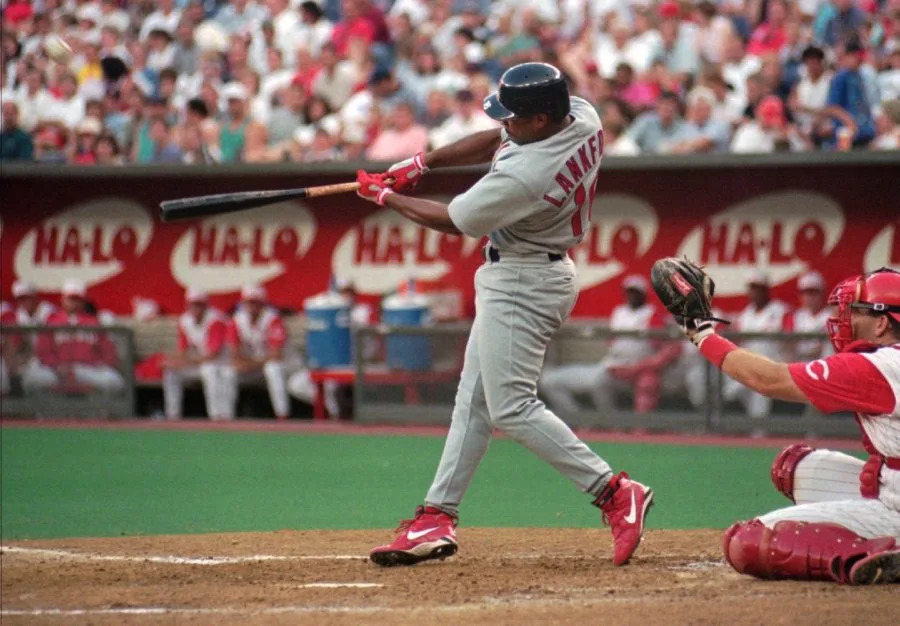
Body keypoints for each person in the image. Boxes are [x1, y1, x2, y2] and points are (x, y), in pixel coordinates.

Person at [354, 62, 654, 568]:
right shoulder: (581, 116)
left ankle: (613, 491)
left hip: (523, 280)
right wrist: (422, 162)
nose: (506, 124)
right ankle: (436, 516)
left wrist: (387, 196)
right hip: (530, 271)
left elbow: (453, 219)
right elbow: (493, 138)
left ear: (540, 119)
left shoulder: (528, 174)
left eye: (515, 118)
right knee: (474, 401)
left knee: (511, 406)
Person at [676, 267, 900, 584]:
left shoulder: (877, 365)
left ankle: (870, 555)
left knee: (748, 541)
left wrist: (703, 335)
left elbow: (768, 380)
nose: (846, 319)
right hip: (893, 479)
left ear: (881, 323)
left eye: (856, 312)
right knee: (793, 466)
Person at [540, 275, 678, 415]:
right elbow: (612, 343)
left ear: (643, 294)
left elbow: (669, 349)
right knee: (561, 381)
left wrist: (640, 367)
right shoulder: (620, 312)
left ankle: (630, 427)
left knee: (645, 383)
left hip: (640, 368)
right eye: (629, 291)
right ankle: (603, 420)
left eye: (636, 292)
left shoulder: (652, 313)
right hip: (614, 366)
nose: (632, 295)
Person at [28, 279, 124, 393]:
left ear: (84, 301)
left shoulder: (94, 322)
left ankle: (101, 409)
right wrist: (57, 366)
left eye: (78, 299)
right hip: (57, 371)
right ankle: (43, 410)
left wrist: (97, 366)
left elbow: (109, 353)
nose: (74, 303)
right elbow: (43, 352)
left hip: (87, 370)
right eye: (71, 299)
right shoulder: (52, 322)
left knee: (114, 380)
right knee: (32, 378)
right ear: (63, 299)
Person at [722, 269, 789, 422]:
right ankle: (743, 426)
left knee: (759, 389)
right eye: (751, 288)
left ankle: (759, 431)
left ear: (766, 289)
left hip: (776, 365)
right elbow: (736, 339)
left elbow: (790, 340)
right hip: (751, 367)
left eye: (757, 288)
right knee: (729, 391)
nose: (754, 292)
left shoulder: (780, 310)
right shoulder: (747, 313)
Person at [222, 284, 295, 420]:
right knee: (229, 372)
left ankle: (282, 415)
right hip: (255, 366)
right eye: (249, 302)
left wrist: (249, 364)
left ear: (263, 303)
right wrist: (246, 364)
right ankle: (226, 417)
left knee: (273, 368)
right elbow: (233, 354)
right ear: (243, 303)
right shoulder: (237, 320)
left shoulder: (273, 319)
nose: (252, 306)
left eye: (256, 302)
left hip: (284, 366)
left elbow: (276, 355)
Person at [162, 289, 230, 420]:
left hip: (219, 364)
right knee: (171, 371)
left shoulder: (216, 320)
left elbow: (213, 354)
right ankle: (172, 415)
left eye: (199, 304)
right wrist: (171, 361)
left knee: (209, 370)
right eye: (193, 304)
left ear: (206, 305)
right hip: (197, 363)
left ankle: (216, 416)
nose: (196, 308)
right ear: (187, 305)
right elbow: (182, 350)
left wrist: (186, 361)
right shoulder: (185, 320)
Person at [0, 281, 56, 396]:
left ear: (35, 297)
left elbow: (48, 344)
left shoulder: (49, 312)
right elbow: (16, 343)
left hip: (49, 359)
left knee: (37, 379)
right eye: (20, 298)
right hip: (30, 359)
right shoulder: (19, 315)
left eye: (26, 298)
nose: (23, 302)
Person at [785, 271, 833, 362]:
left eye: (813, 292)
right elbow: (789, 345)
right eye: (805, 293)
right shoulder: (797, 316)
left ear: (822, 293)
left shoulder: (831, 315)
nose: (809, 297)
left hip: (824, 365)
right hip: (802, 365)